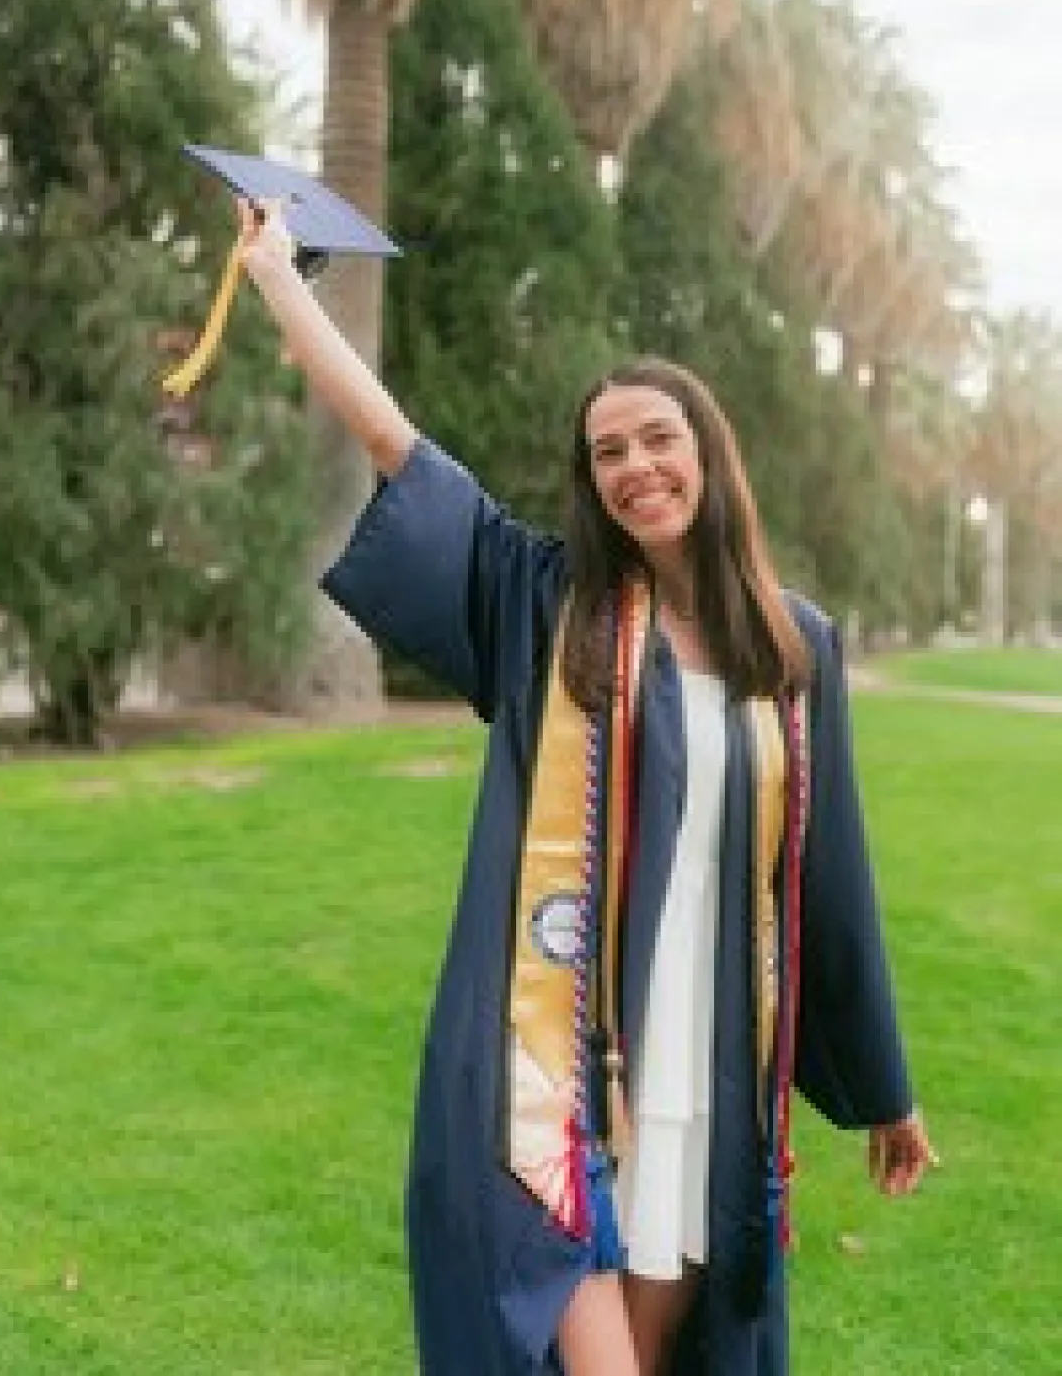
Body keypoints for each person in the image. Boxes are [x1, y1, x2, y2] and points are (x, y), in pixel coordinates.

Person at [237, 198, 934, 1376]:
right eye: (606, 451)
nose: (634, 467)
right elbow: (399, 448)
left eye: (656, 438)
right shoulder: (552, 609)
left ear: (708, 452)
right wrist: (276, 279)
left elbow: (829, 880)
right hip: (556, 1070)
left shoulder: (795, 646)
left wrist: (884, 1090)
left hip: (702, 1074)